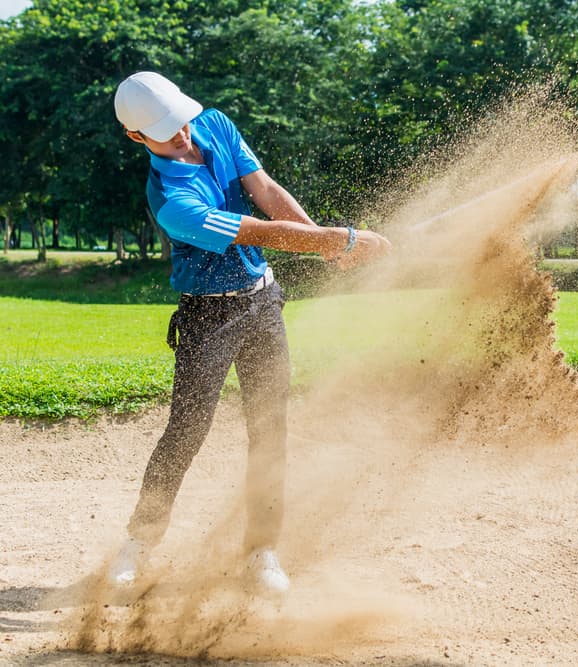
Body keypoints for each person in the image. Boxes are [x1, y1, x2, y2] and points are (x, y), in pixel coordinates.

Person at [108, 71, 390, 597]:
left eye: (182, 123)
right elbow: (256, 231)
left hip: (262, 303)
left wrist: (324, 244)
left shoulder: (212, 122)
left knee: (270, 429)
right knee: (186, 431)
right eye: (168, 134)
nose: (184, 136)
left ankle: (261, 550)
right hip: (206, 317)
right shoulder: (171, 200)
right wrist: (338, 239)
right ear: (137, 138)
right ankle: (140, 543)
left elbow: (265, 192)